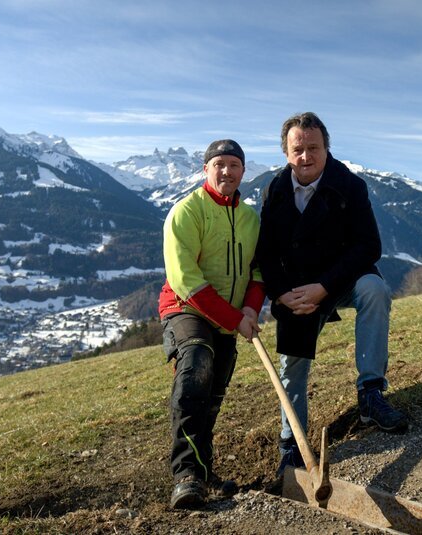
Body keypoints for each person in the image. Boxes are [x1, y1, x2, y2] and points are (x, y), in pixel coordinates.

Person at [256, 112, 408, 476]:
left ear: (327, 148)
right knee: (292, 364)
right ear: (286, 152)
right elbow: (265, 252)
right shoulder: (274, 190)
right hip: (295, 289)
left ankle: (371, 393)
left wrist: (324, 287)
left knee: (374, 288)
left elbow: (369, 246)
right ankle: (292, 443)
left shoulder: (349, 185)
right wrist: (280, 295)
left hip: (338, 281)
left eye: (314, 148)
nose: (306, 156)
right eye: (298, 149)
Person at [159, 139, 265, 509]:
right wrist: (236, 318)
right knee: (196, 365)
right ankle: (185, 475)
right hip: (185, 309)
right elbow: (185, 279)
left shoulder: (251, 219)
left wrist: (250, 310)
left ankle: (202, 469)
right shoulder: (187, 211)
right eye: (219, 164)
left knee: (214, 392)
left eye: (234, 165)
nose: (226, 171)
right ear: (205, 169)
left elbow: (258, 271)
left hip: (231, 319)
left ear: (242, 172)